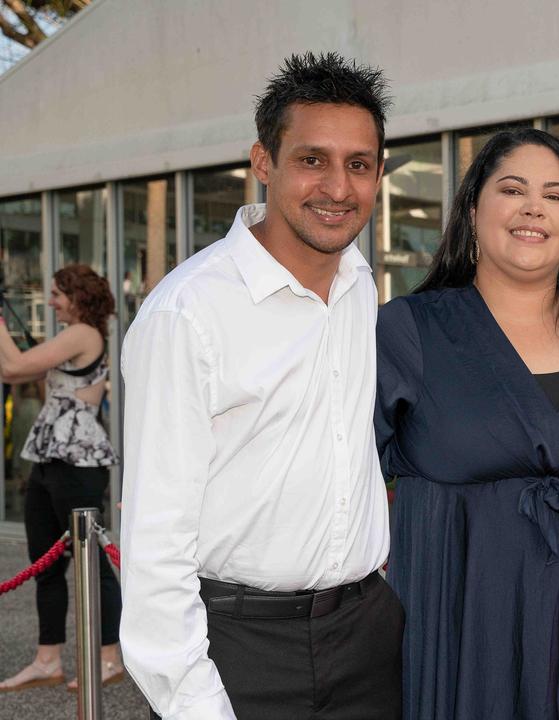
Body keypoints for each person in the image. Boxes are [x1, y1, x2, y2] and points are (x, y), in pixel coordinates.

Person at [119, 52, 402, 719]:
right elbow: (156, 544)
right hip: (241, 646)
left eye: (359, 164)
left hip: (367, 635)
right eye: (312, 159)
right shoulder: (188, 313)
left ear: (379, 174)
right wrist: (194, 704)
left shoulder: (361, 286)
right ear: (263, 162)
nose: (338, 187)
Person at [375, 128, 559, 720]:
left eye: (555, 195)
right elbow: (339, 484)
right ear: (473, 211)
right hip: (457, 638)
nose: (534, 207)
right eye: (512, 189)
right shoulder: (409, 331)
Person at [0, 264, 121, 693]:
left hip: (78, 463)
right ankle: (46, 659)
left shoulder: (84, 333)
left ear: (76, 295)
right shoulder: (71, 335)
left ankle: (109, 657)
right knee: (44, 564)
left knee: (94, 564)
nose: (50, 302)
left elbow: (13, 368)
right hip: (50, 459)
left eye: (56, 294)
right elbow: (12, 370)